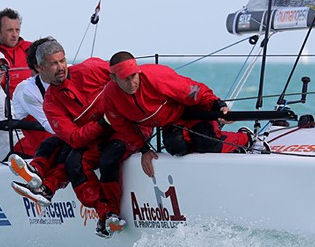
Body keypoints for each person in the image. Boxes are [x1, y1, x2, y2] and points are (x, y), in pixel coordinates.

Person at [8, 40, 129, 238]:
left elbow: (128, 74)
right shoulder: (48, 101)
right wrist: (102, 123)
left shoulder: (91, 69)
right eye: (53, 64)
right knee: (73, 159)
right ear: (39, 68)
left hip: (125, 127)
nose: (60, 67)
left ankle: (43, 183)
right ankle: (106, 215)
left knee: (103, 158)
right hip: (97, 134)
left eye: (62, 61)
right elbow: (73, 137)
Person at [103, 51, 251, 178]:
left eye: (133, 76)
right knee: (176, 148)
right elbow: (122, 126)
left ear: (138, 72)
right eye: (125, 79)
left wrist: (217, 105)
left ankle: (246, 138)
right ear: (113, 78)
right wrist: (144, 150)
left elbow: (194, 91)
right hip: (171, 121)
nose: (131, 83)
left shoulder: (157, 77)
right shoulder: (110, 95)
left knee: (206, 144)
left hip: (192, 111)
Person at [10, 37, 55, 157]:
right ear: (38, 65)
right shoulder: (25, 89)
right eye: (51, 61)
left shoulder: (61, 80)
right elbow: (49, 123)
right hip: (37, 149)